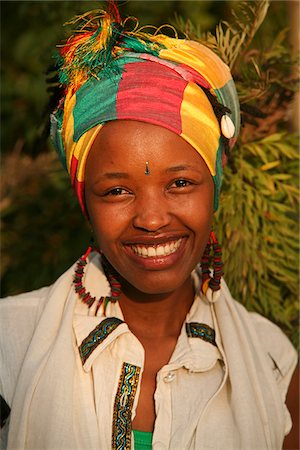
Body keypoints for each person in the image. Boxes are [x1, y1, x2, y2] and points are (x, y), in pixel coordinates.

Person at [0, 3, 297, 450]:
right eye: (117, 191)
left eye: (180, 183)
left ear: (213, 190)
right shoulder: (10, 348)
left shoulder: (273, 365)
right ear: (86, 203)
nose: (153, 218)